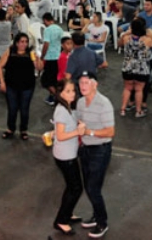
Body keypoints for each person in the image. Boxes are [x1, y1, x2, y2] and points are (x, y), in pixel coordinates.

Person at [77, 72, 114, 238]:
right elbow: (79, 125)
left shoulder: (104, 104)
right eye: (81, 83)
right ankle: (96, 215)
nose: (83, 86)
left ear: (95, 84)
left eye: (86, 82)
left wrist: (89, 132)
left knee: (93, 188)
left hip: (100, 149)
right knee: (90, 186)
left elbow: (110, 131)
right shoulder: (80, 102)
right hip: (85, 149)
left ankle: (102, 222)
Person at [51, 78, 85, 236]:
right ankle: (61, 220)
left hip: (69, 153)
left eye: (73, 90)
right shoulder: (61, 110)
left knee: (72, 187)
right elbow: (61, 135)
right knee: (76, 188)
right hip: (65, 156)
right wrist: (78, 131)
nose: (72, 94)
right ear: (60, 93)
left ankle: (68, 212)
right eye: (68, 91)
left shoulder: (69, 107)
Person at [0, 33, 42, 140]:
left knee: (24, 109)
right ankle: (10, 128)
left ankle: (23, 129)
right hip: (11, 85)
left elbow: (39, 68)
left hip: (27, 86)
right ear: (16, 43)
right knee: (12, 108)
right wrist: (2, 82)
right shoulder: (10, 51)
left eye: (26, 42)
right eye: (22, 42)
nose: (24, 44)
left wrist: (37, 59)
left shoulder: (30, 53)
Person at [119, 19, 152, 118]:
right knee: (139, 90)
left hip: (127, 67)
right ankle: (138, 111)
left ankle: (123, 109)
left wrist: (124, 34)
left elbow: (119, 45)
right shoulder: (148, 40)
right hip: (142, 68)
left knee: (127, 88)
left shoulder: (126, 38)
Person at [41, 13, 64, 105]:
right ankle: (51, 97)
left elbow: (46, 44)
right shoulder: (60, 29)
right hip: (58, 57)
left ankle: (58, 98)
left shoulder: (47, 30)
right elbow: (62, 42)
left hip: (49, 57)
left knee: (45, 81)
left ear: (46, 20)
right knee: (54, 79)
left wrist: (42, 56)